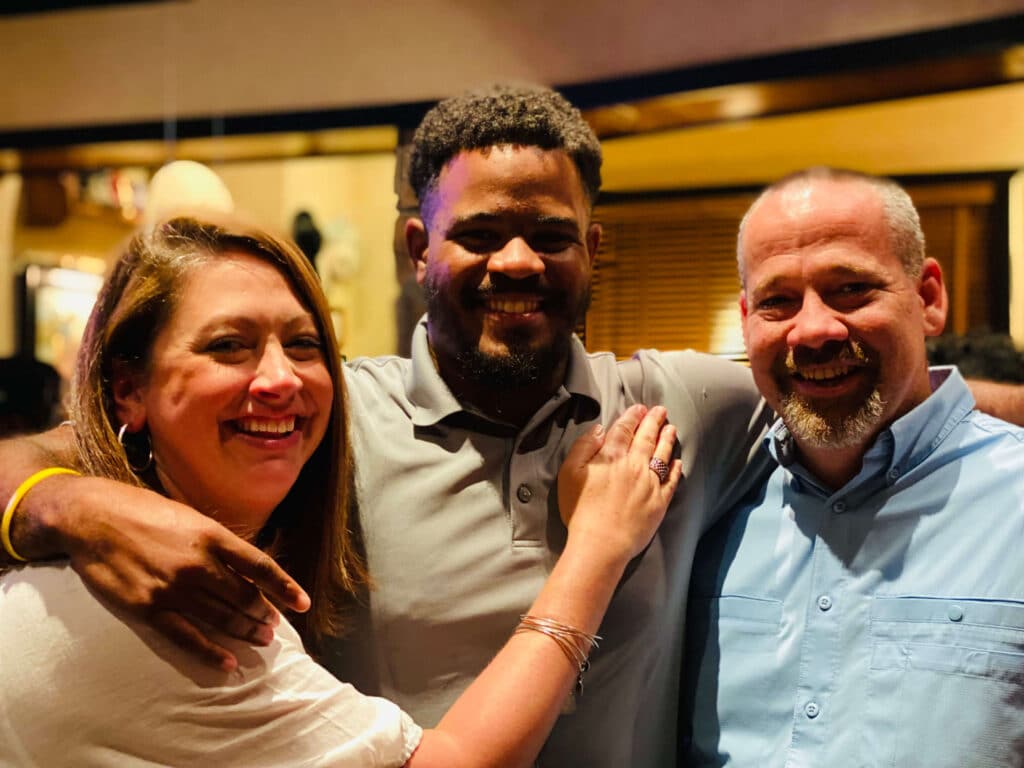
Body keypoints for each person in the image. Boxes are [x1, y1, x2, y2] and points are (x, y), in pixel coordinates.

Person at [1, 86, 1021, 767]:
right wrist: (68, 501)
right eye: (480, 235)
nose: (518, 263)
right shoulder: (321, 419)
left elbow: (863, 383)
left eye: (550, 235)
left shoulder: (688, 404)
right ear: (417, 247)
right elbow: (42, 452)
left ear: (593, 249)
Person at [0, 213, 682, 767]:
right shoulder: (172, 608)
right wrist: (597, 547)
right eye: (228, 346)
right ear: (128, 389)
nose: (279, 379)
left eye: (302, 345)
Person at [682, 168, 1024, 767]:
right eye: (777, 301)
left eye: (850, 289)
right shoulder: (705, 507)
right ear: (745, 319)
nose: (813, 329)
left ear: (928, 298)